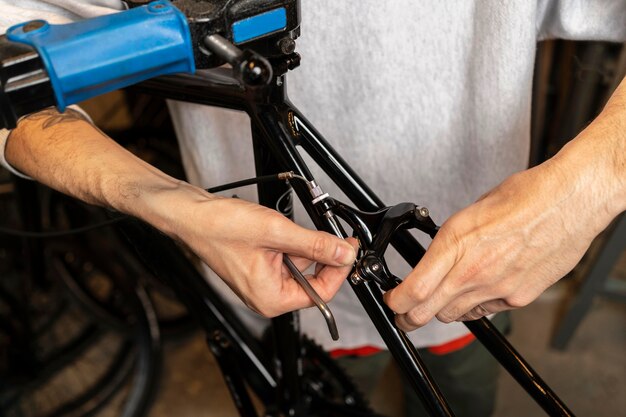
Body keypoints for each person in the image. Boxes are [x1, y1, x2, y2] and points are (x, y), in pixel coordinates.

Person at [1, 1, 625, 416]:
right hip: (268, 291)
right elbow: (10, 73)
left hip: (479, 281)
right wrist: (164, 202)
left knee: (461, 392)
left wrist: (588, 186)